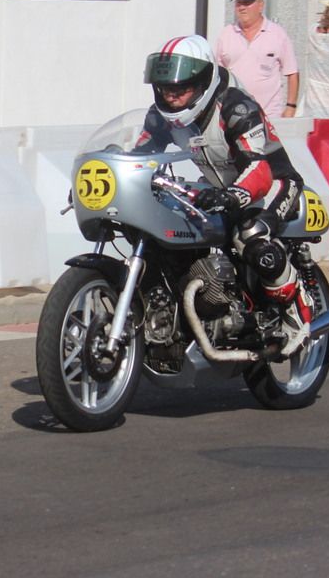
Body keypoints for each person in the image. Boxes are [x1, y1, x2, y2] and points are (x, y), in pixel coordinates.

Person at [134, 35, 312, 357]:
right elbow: (140, 154)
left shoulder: (234, 107)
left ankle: (297, 309)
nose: (171, 97)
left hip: (272, 183)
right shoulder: (161, 115)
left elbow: (259, 168)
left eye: (180, 89)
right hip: (220, 186)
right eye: (164, 89)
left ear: (202, 83)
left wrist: (234, 196)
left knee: (251, 236)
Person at [214, 0, 300, 121]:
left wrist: (291, 107)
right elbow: (218, 75)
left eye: (247, 2)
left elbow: (292, 72)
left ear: (260, 5)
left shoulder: (277, 34)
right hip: (235, 117)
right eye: (238, 3)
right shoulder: (226, 34)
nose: (241, 7)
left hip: (269, 116)